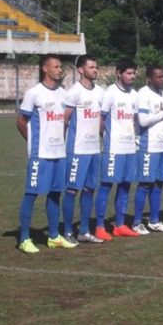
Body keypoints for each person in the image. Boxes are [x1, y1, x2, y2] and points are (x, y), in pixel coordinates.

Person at [16, 54, 76, 253]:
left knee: (55, 194)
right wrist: (34, 143)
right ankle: (24, 238)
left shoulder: (63, 94)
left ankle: (53, 236)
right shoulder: (34, 93)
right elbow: (21, 121)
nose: (60, 70)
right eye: (56, 66)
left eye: (60, 67)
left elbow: (65, 121)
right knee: (31, 194)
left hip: (59, 153)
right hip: (40, 154)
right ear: (45, 69)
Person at [62, 55, 104, 245]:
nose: (95, 70)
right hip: (77, 150)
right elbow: (64, 120)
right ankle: (67, 231)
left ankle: (84, 231)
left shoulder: (100, 92)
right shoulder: (74, 92)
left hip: (94, 149)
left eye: (96, 67)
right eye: (91, 67)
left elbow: (101, 119)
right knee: (72, 190)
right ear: (81, 70)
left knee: (89, 190)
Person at [96, 59, 140, 240]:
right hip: (113, 148)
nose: (132, 76)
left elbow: (134, 121)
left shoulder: (134, 94)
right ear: (118, 73)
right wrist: (106, 138)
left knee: (125, 185)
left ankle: (120, 225)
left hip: (130, 148)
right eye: (128, 73)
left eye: (134, 73)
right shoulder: (110, 93)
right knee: (106, 185)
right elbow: (101, 119)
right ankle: (99, 226)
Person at [132, 64, 163, 234]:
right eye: (159, 77)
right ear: (149, 78)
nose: (162, 79)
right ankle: (137, 223)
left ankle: (154, 221)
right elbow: (142, 121)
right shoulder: (143, 94)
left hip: (161, 147)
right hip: (147, 146)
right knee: (145, 184)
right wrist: (162, 113)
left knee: (158, 184)